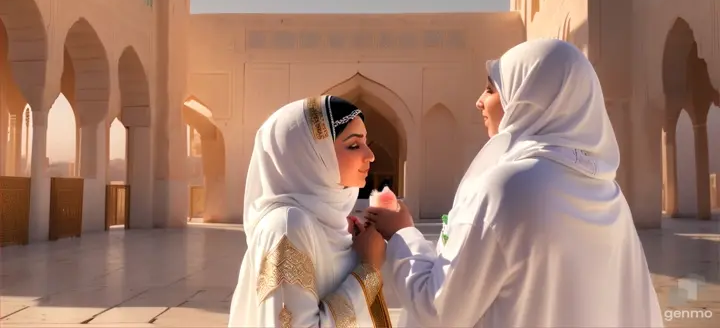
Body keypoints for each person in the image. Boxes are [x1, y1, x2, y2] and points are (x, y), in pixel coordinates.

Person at [362, 39, 664, 327]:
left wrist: (403, 233)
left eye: (491, 90)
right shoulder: (608, 194)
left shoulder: (508, 188)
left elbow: (439, 310)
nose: (479, 102)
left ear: (528, 98)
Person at [228, 95, 392, 328]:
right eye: (354, 145)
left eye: (366, 143)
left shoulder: (336, 224)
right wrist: (368, 269)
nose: (370, 155)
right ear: (311, 155)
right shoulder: (287, 225)